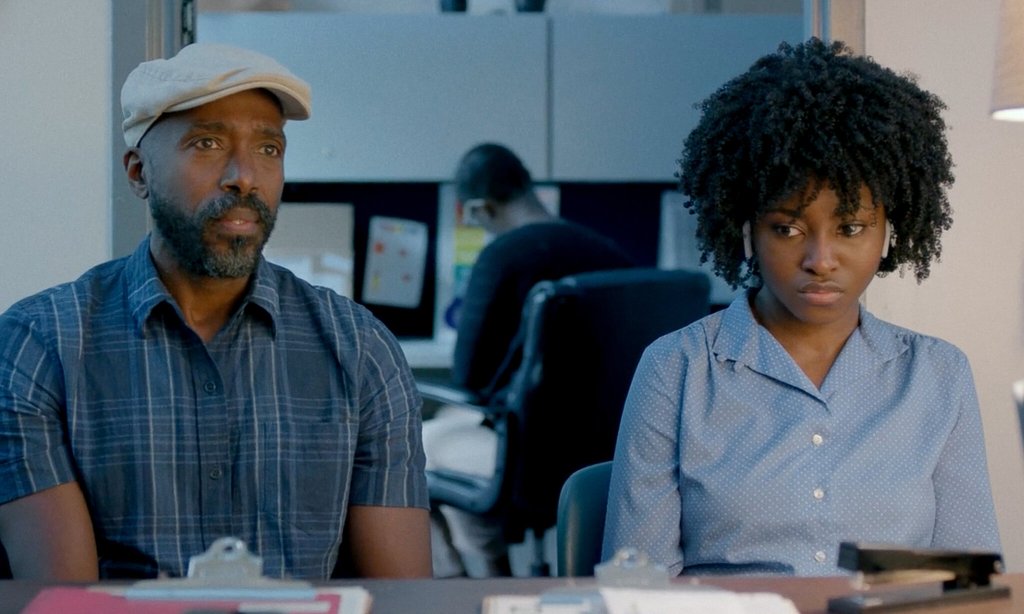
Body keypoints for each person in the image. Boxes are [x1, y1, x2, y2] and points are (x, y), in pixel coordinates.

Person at [0, 43, 431, 581]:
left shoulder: (361, 349)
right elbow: (65, 600)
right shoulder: (40, 346)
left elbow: (401, 597)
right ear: (138, 173)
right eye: (207, 143)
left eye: (269, 149)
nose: (245, 177)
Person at [602, 38, 1002, 576]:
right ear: (746, 230)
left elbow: (969, 584)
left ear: (889, 232)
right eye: (787, 228)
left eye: (851, 228)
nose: (820, 260)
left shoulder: (938, 374)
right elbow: (636, 588)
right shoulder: (675, 370)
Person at [425, 143, 633, 577]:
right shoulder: (609, 253)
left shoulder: (502, 256)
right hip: (609, 456)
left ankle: (477, 580)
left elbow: (469, 377)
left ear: (480, 209)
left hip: (528, 463)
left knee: (413, 446)